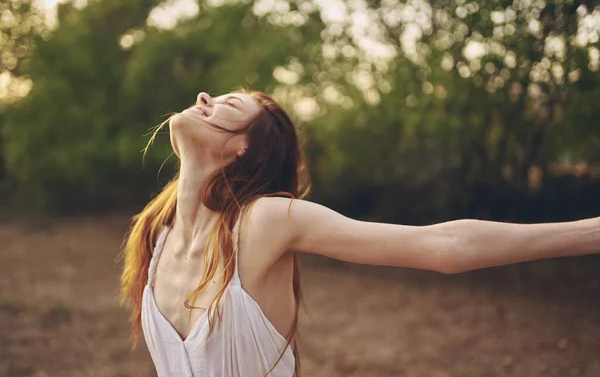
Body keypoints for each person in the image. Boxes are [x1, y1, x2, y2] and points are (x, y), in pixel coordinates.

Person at [119, 89, 599, 377]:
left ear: (247, 150)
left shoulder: (264, 221)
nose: (203, 99)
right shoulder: (155, 239)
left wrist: (589, 232)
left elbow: (444, 245)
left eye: (226, 104)